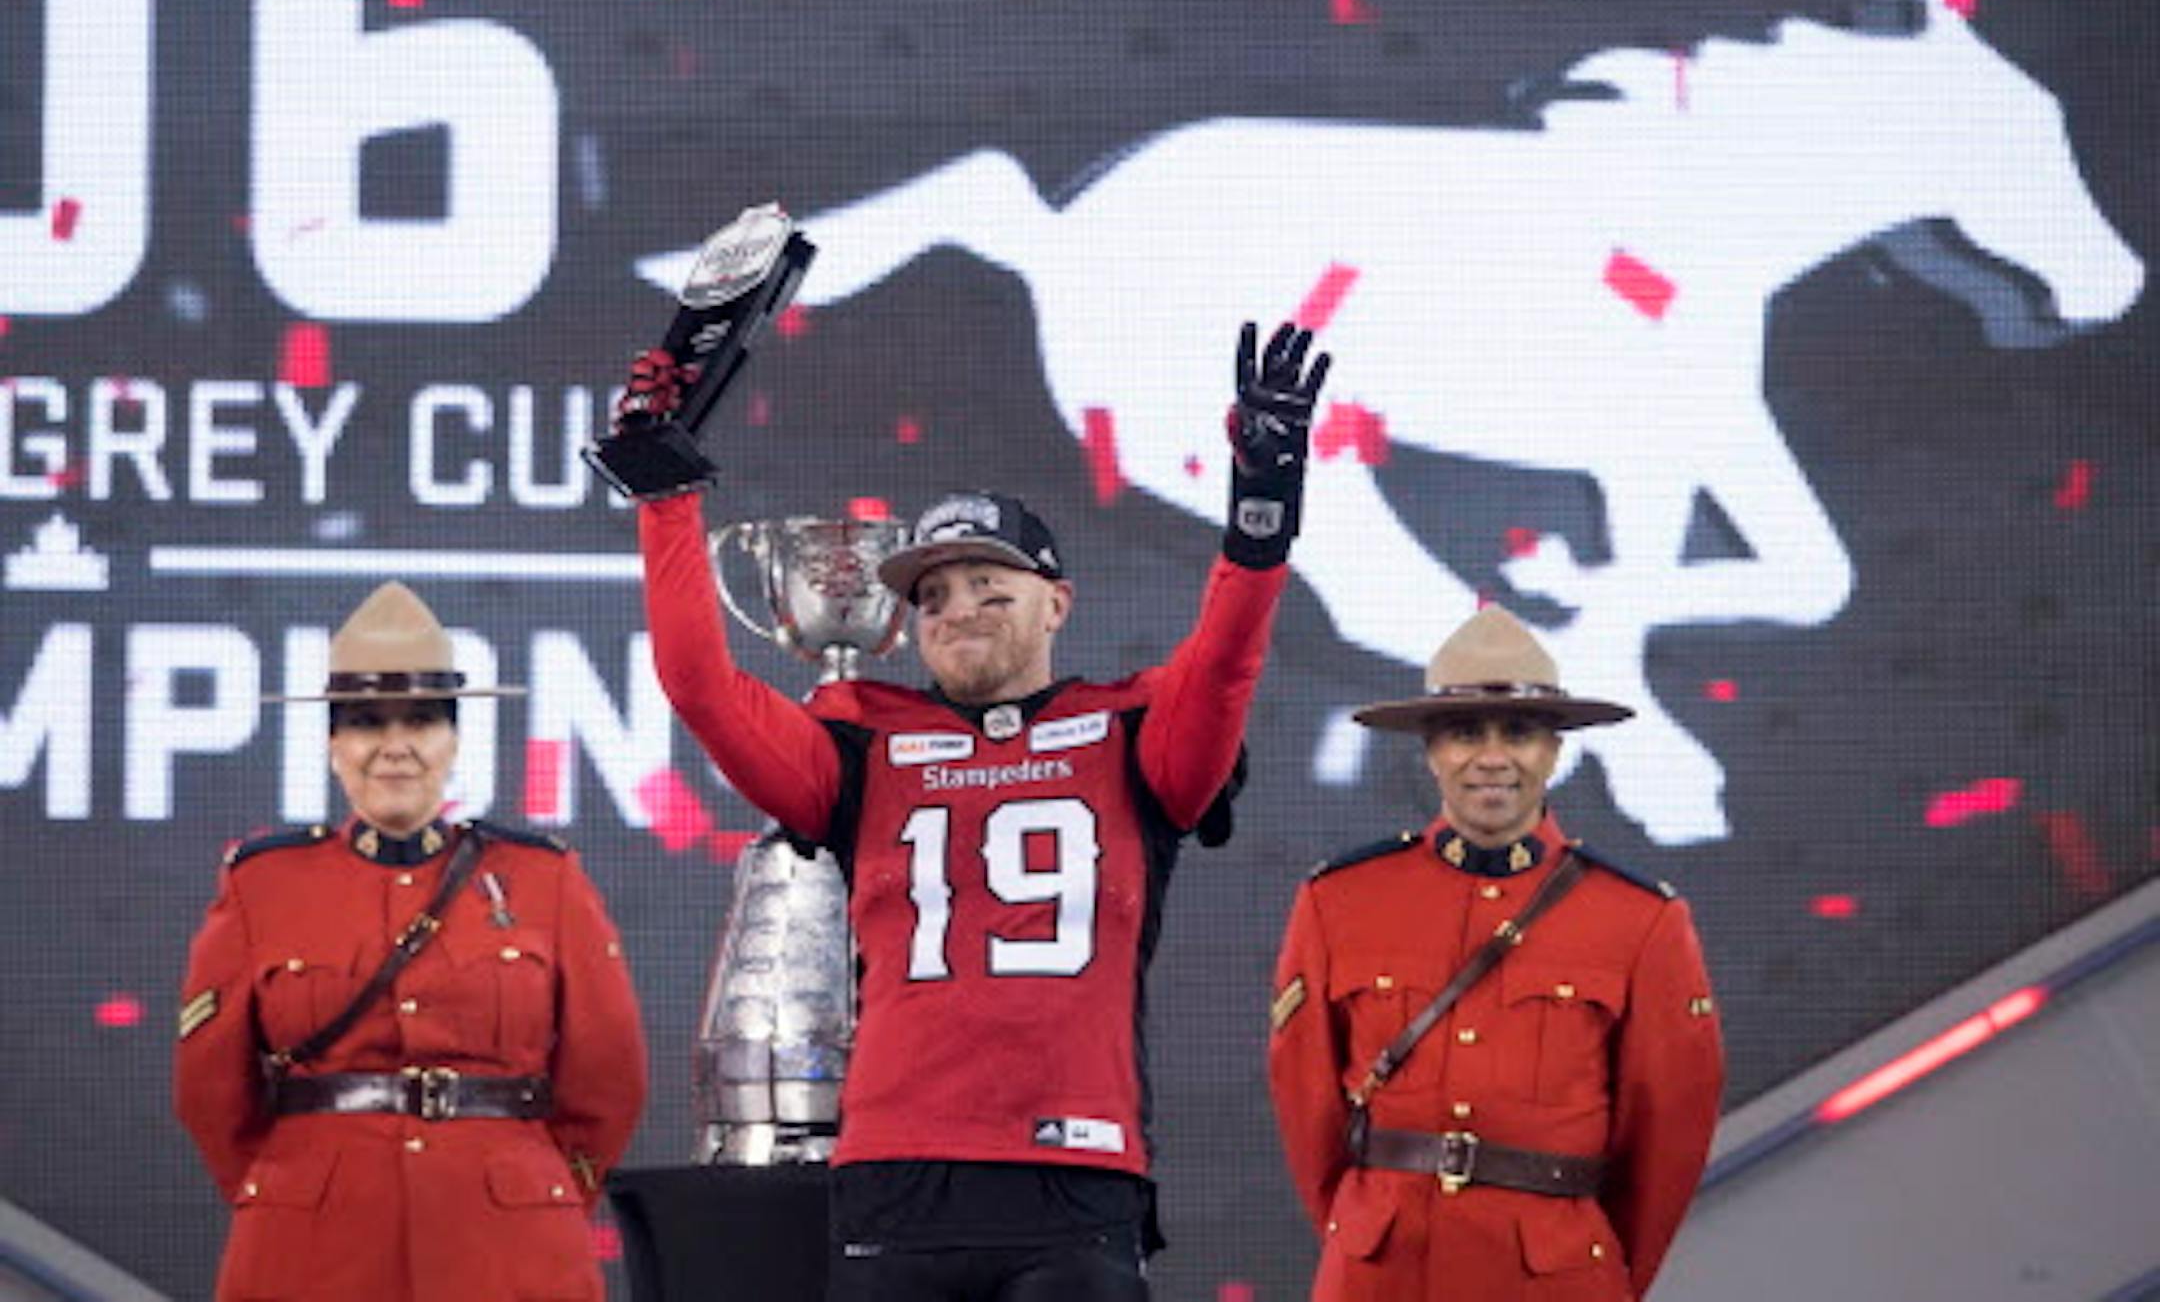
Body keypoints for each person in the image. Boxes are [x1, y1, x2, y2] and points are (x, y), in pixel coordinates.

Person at [629, 321, 1330, 1300]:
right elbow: (700, 684)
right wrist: (664, 496)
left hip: (1076, 1173)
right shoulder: (862, 744)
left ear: (1057, 603)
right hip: (896, 1173)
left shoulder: (1130, 733)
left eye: (988, 586)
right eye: (935, 595)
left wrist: (1259, 512)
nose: (957, 608)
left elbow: (1227, 660)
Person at [174, 581, 648, 1302]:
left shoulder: (542, 877)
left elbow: (608, 1079)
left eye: (421, 721)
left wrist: (540, 1191)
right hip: (311, 1249)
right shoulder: (261, 883)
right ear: (334, 744)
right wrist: (290, 1187)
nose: (394, 748)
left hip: (508, 1246)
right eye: (366, 723)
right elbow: (210, 1090)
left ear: (454, 740)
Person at [1267, 605, 1724, 1301]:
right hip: (1379, 1273)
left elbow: (1667, 1142)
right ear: (1429, 748)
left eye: (1519, 731)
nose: (1491, 755)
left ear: (1556, 750)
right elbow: (1308, 1111)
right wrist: (1363, 1226)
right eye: (1462, 732)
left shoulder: (1641, 919)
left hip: (1555, 1280)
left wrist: (1593, 1265)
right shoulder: (1339, 899)